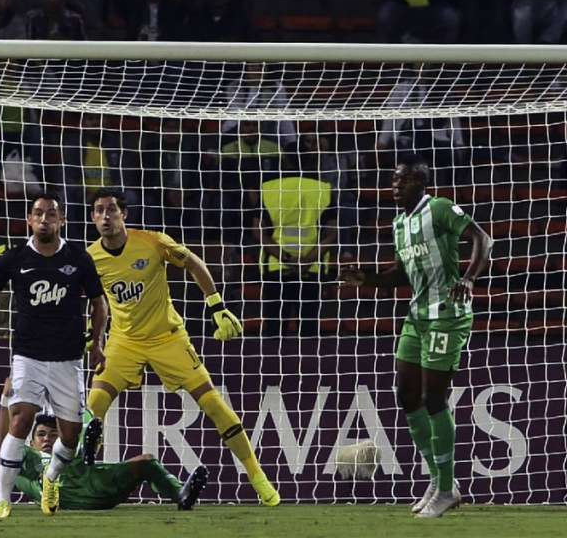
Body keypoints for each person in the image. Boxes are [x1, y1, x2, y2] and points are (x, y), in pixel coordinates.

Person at [82, 187, 280, 507]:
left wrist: (216, 306)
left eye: (112, 210)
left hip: (168, 338)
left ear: (124, 214)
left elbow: (194, 263)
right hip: (124, 342)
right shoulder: (90, 258)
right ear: (93, 218)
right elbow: (94, 301)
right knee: (93, 409)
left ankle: (258, 478)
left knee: (213, 404)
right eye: (99, 211)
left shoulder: (153, 242)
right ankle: (83, 480)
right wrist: (94, 336)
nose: (106, 216)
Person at [0, 192, 108, 519]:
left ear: (62, 221)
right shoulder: (16, 257)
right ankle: (2, 499)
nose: (44, 219)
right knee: (21, 418)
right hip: (28, 355)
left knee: (71, 436)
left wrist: (98, 343)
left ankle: (51, 478)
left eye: (51, 214)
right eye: (38, 213)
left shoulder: (78, 258)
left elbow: (99, 302)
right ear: (30, 220)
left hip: (68, 357)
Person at [341, 161, 491, 519]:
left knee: (433, 398)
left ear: (421, 182)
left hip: (447, 314)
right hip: (417, 316)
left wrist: (469, 278)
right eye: (394, 179)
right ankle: (440, 480)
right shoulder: (399, 224)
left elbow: (483, 239)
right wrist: (367, 279)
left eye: (404, 180)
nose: (396, 185)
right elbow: (402, 274)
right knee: (407, 395)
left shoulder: (439, 208)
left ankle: (446, 489)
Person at [11, 412, 207, 510]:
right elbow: (8, 444)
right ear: (32, 442)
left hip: (95, 486)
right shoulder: (29, 458)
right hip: (60, 493)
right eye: (41, 434)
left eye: (53, 434)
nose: (46, 438)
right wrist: (6, 402)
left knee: (147, 461)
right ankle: (84, 448)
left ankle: (181, 495)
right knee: (60, 462)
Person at [253, 151, 338, 338]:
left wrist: (286, 258)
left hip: (276, 267)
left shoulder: (269, 189)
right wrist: (306, 260)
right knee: (309, 333)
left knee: (274, 332)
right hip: (311, 268)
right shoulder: (323, 190)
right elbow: (332, 234)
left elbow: (258, 232)